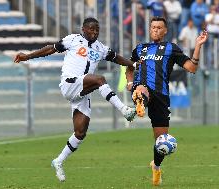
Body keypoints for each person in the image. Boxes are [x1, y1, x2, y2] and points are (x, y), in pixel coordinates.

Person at [14, 17, 139, 182]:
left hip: (82, 90)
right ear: (83, 29)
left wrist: (134, 65)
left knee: (80, 132)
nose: (94, 32)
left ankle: (58, 161)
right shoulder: (73, 39)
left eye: (97, 30)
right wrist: (27, 56)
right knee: (100, 79)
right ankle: (124, 110)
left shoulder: (101, 48)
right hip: (69, 83)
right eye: (91, 29)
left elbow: (117, 58)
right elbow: (51, 49)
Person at [125, 16, 208, 186]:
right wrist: (129, 81)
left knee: (161, 141)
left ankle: (156, 166)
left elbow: (192, 68)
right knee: (142, 89)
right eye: (153, 27)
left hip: (161, 96)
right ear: (150, 29)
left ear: (165, 31)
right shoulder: (140, 49)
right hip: (142, 87)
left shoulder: (171, 48)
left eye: (159, 27)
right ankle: (140, 101)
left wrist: (198, 45)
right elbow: (129, 66)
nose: (155, 30)